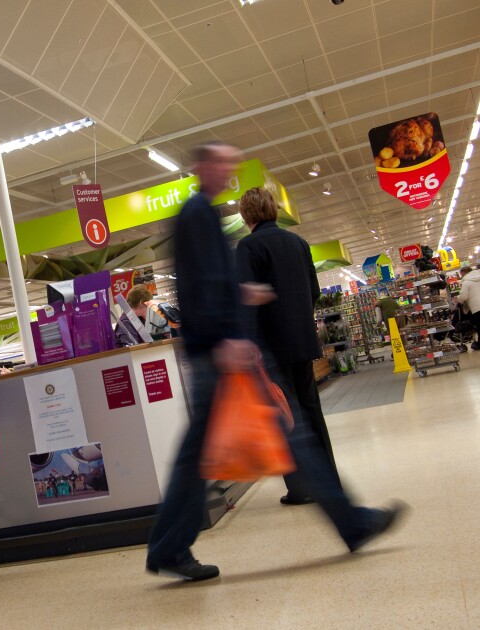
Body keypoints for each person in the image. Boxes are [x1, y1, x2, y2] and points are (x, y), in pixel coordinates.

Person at [145, 142, 406, 583]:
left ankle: (169, 547)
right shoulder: (196, 216)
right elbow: (194, 289)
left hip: (232, 350)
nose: (229, 169)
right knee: (290, 432)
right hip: (223, 354)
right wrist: (224, 336)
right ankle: (353, 523)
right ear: (202, 166)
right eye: (223, 162)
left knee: (259, 441)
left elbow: (213, 284)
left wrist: (242, 295)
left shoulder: (209, 218)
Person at [235, 187, 339, 505]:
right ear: (274, 211)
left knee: (286, 416)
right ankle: (329, 479)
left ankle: (300, 487)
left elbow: (246, 300)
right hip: (303, 340)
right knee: (311, 409)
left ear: (245, 215)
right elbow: (314, 290)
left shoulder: (248, 247)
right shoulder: (298, 243)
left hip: (272, 347)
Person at [456, 265, 480, 350]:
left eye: (461, 275)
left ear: (465, 273)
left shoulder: (466, 282)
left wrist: (458, 298)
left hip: (477, 308)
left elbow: (463, 297)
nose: (461, 277)